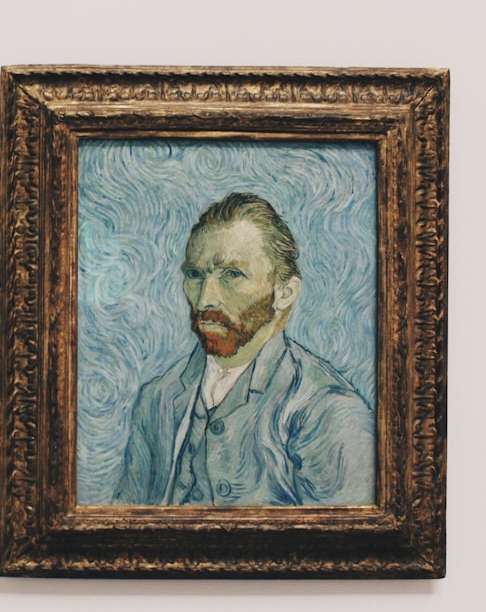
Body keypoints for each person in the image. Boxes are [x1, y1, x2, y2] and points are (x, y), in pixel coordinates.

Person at [112, 192, 375, 506]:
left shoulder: (328, 410)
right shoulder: (156, 400)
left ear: (284, 293)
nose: (205, 299)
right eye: (195, 275)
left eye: (232, 275)